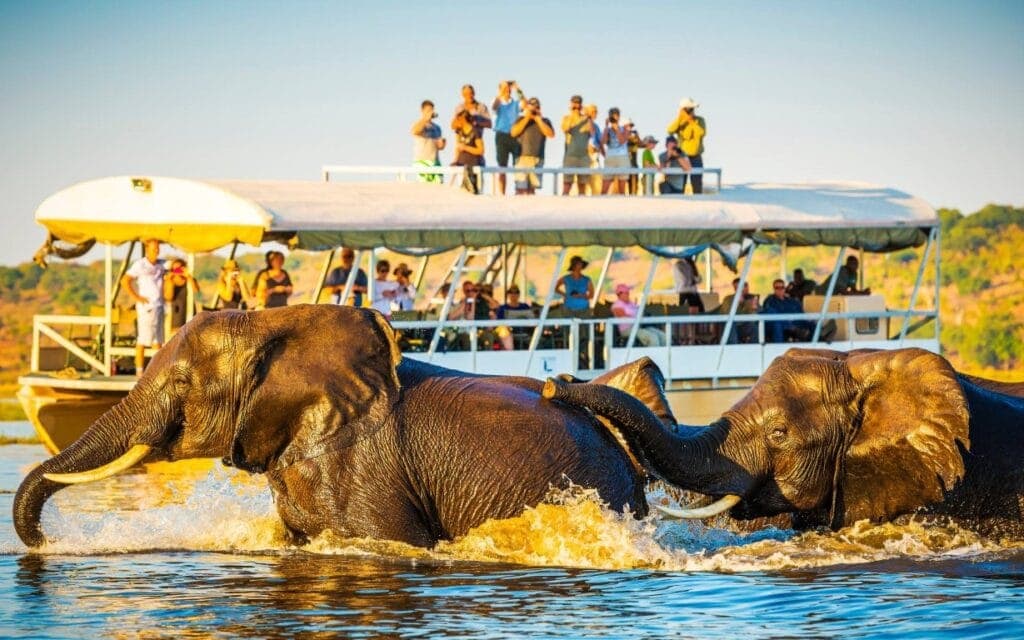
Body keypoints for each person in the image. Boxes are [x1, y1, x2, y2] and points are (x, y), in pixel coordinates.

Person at [121, 238, 165, 374]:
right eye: (153, 249)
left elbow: (177, 267)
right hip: (146, 307)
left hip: (159, 306)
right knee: (143, 339)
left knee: (158, 340)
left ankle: (156, 371)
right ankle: (139, 371)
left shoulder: (161, 265)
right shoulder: (140, 265)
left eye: (157, 248)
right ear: (147, 250)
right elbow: (125, 280)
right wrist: (137, 298)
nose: (156, 251)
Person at [510, 97, 554, 195]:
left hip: (537, 159)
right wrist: (527, 117)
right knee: (520, 189)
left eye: (536, 107)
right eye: (532, 108)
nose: (534, 109)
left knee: (532, 189)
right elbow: (513, 133)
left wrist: (538, 120)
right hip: (521, 158)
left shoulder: (545, 121)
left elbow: (550, 134)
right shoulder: (520, 119)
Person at [667, 97, 706, 194]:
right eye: (689, 109)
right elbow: (670, 130)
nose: (692, 111)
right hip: (682, 157)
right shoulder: (680, 122)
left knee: (697, 184)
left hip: (696, 156)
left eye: (692, 109)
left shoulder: (700, 120)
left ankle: (699, 204)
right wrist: (680, 118)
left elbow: (701, 133)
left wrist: (691, 121)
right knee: (681, 184)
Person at [492, 80, 525, 194]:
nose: (507, 90)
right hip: (501, 136)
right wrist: (501, 92)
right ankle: (502, 193)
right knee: (502, 166)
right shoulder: (498, 102)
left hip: (515, 135)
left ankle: (518, 190)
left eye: (508, 88)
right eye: (504, 88)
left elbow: (524, 104)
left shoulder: (515, 103)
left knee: (518, 165)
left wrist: (517, 88)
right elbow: (494, 106)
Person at [761, 278, 814, 343]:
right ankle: (794, 330)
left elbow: (801, 314)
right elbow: (769, 312)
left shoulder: (792, 301)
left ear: (785, 288)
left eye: (782, 287)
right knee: (777, 323)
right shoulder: (770, 301)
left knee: (812, 324)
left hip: (796, 322)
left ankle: (817, 344)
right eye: (777, 288)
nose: (780, 290)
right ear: (774, 289)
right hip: (783, 325)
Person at [561, 95, 592, 196]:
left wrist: (588, 117)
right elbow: (565, 128)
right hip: (570, 155)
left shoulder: (586, 119)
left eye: (578, 103)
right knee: (567, 183)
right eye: (574, 103)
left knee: (582, 184)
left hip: (583, 155)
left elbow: (592, 132)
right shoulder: (566, 118)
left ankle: (582, 206)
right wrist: (573, 114)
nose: (576, 105)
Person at [411, 99, 446, 182]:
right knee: (424, 189)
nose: (431, 112)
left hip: (435, 161)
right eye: (428, 110)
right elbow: (415, 131)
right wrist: (425, 119)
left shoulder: (437, 128)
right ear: (422, 111)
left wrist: (442, 144)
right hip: (422, 161)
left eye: (432, 110)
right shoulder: (419, 124)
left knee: (438, 186)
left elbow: (440, 146)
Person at [163, 257, 200, 335]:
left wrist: (189, 277)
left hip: (189, 312)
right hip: (175, 315)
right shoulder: (169, 281)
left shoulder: (189, 279)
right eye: (175, 269)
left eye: (179, 269)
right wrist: (170, 281)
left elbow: (197, 292)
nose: (177, 271)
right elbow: (168, 298)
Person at [718, 277, 759, 344]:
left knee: (753, 327)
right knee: (731, 324)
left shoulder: (750, 299)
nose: (743, 289)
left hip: (742, 326)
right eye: (738, 287)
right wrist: (737, 304)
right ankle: (733, 347)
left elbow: (754, 319)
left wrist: (753, 308)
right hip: (729, 326)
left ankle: (753, 348)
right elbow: (728, 315)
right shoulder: (728, 299)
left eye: (745, 286)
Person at [452, 109, 484, 193]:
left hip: (473, 164)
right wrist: (455, 160)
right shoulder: (459, 131)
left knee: (474, 191)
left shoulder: (475, 132)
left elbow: (481, 150)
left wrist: (466, 148)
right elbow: (457, 147)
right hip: (461, 164)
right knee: (461, 193)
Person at [601, 107, 630, 195]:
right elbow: (603, 142)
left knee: (622, 188)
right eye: (612, 115)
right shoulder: (607, 130)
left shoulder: (624, 128)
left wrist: (617, 128)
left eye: (616, 115)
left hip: (622, 157)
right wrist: (606, 127)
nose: (614, 117)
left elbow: (622, 141)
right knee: (605, 187)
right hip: (610, 157)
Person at [584, 103, 604, 195]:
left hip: (595, 158)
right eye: (593, 111)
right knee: (584, 186)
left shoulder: (597, 127)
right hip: (584, 158)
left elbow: (600, 142)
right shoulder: (581, 124)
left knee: (597, 185)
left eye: (596, 111)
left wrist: (604, 154)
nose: (595, 113)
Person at [624, 119, 642, 195]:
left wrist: (636, 136)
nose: (630, 127)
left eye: (631, 126)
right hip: (624, 163)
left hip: (633, 163)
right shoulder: (621, 135)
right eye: (628, 125)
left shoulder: (634, 135)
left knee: (634, 185)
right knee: (624, 184)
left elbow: (640, 143)